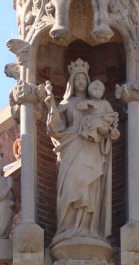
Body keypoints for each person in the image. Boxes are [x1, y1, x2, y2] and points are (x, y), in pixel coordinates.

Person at [44, 60, 119, 244]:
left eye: (83, 78)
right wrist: (51, 104)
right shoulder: (67, 103)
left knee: (89, 187)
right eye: (76, 78)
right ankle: (66, 229)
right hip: (70, 147)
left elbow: (108, 124)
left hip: (91, 150)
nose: (80, 81)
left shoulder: (97, 104)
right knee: (70, 187)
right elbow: (56, 128)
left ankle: (90, 230)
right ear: (71, 81)